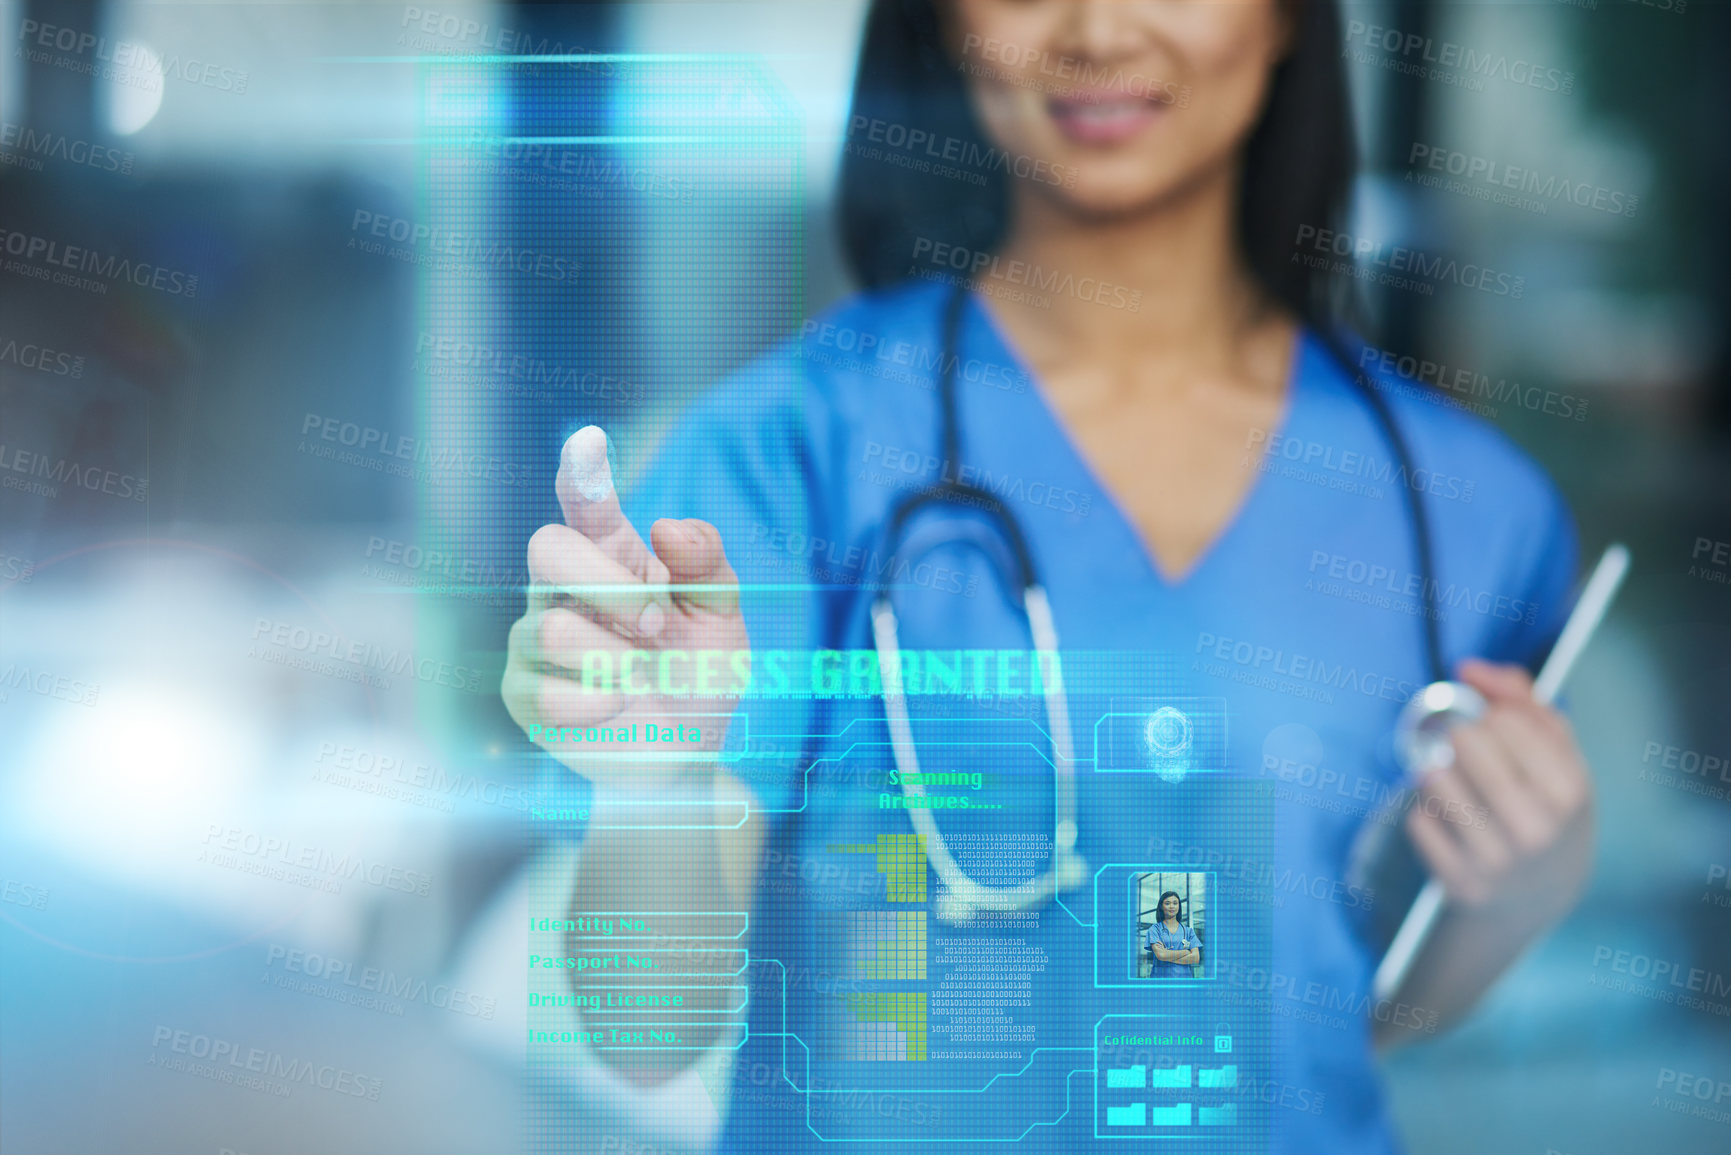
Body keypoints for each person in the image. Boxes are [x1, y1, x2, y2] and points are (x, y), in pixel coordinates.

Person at [501, 0, 1595, 1149]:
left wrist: (1521, 887)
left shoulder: (1470, 508)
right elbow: (644, 1029)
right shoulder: (785, 448)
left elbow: (1360, 1012)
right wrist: (657, 788)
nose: (1099, 27)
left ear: (1285, 21)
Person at [1144, 889, 1200, 977]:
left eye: (1175, 903)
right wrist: (1186, 952)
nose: (1172, 906)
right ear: (1161, 906)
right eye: (1167, 903)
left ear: (1179, 906)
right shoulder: (1154, 930)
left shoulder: (1189, 931)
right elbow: (1161, 955)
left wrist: (1167, 955)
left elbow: (1195, 958)